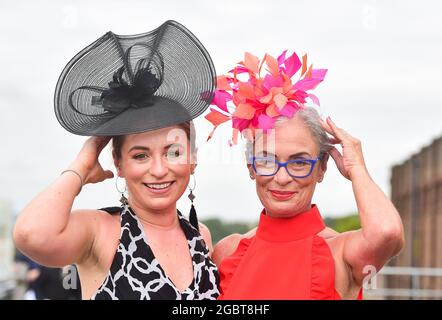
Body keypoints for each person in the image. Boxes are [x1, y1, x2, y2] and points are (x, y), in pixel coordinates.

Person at [13, 20, 220, 300]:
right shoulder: (101, 232)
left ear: (192, 159)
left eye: (173, 152)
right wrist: (82, 165)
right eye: (140, 155)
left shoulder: (200, 236)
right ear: (119, 164)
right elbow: (31, 235)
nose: (159, 169)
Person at [206, 50, 405, 299]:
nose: (282, 177)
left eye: (299, 163)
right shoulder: (227, 251)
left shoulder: (340, 252)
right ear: (251, 167)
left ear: (321, 168)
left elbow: (387, 232)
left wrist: (357, 168)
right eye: (267, 161)